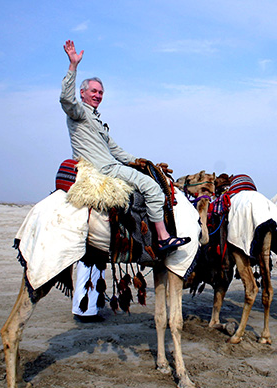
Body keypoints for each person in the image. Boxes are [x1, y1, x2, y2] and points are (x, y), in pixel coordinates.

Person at [60, 40, 189, 252]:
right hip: (103, 169)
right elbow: (66, 100)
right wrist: (73, 66)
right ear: (82, 93)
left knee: (147, 176)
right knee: (152, 188)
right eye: (93, 91)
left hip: (110, 164)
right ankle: (163, 238)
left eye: (100, 92)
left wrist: (140, 162)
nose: (97, 95)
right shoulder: (80, 113)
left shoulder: (97, 120)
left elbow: (116, 150)